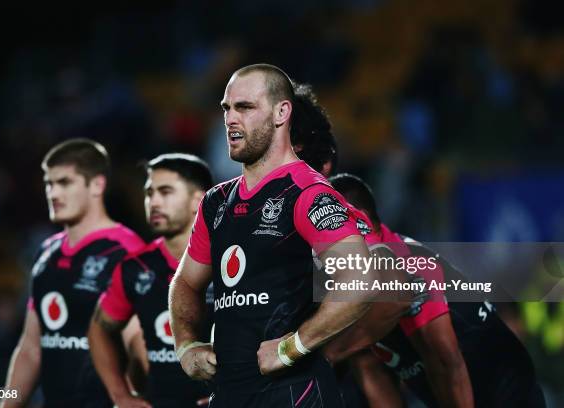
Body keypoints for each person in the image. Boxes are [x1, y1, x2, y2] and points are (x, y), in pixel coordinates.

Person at [168, 64, 409, 408]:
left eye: (245, 107)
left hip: (294, 395)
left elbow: (361, 278)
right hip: (230, 395)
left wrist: (293, 346)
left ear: (282, 113)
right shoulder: (215, 202)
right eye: (227, 108)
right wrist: (187, 345)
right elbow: (186, 284)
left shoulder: (307, 193)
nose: (230, 119)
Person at [326, 173, 546, 407]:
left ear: (363, 221)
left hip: (502, 389)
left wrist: (325, 354)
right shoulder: (346, 276)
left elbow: (447, 363)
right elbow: (369, 369)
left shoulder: (411, 264)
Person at [1, 139, 145, 407]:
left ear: (97, 185)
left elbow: (142, 345)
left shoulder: (126, 251)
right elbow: (32, 347)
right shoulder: (46, 252)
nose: (53, 194)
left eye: (65, 183)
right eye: (49, 184)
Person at [88, 153, 214, 408]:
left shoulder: (229, 259)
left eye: (165, 192)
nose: (153, 202)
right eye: (149, 193)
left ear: (198, 200)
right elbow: (99, 329)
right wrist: (120, 395)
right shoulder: (135, 268)